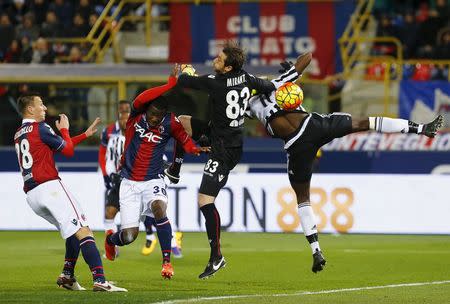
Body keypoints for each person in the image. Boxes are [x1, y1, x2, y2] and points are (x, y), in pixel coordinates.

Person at [167, 52, 444, 274]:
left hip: (305, 135)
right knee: (355, 133)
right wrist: (289, 76)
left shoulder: (259, 93)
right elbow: (230, 114)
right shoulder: (252, 95)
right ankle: (316, 252)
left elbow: (308, 56)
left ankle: (420, 129)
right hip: (311, 130)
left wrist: (292, 72)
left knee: (358, 129)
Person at [166, 41, 277, 279]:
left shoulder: (216, 83)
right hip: (221, 135)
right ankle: (174, 169)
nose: (215, 61)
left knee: (205, 201)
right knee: (180, 122)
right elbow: (268, 86)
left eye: (219, 59)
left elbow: (186, 81)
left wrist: (183, 71)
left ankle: (216, 256)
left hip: (223, 148)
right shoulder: (247, 78)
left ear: (227, 68)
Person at [104, 64, 209, 279]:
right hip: (129, 182)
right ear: (147, 110)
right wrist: (170, 84)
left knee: (160, 209)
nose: (153, 119)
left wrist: (194, 149)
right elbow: (144, 97)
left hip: (154, 178)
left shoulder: (170, 122)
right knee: (130, 236)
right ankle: (110, 241)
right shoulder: (136, 114)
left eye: (158, 117)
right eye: (152, 115)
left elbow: (184, 140)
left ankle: (167, 263)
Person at [13, 93, 127, 292]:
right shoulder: (41, 127)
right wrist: (65, 130)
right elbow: (67, 150)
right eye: (41, 104)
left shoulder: (19, 133)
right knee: (83, 228)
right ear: (30, 109)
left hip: (32, 195)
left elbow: (55, 147)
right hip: (49, 187)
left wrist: (83, 135)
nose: (45, 108)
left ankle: (67, 275)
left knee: (72, 230)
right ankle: (100, 279)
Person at [100, 100, 131, 258]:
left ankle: (171, 241)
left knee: (151, 216)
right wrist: (110, 175)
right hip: (119, 181)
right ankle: (110, 248)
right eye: (122, 119)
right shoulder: (114, 139)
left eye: (128, 118)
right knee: (109, 213)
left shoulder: (139, 137)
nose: (125, 121)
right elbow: (109, 159)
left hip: (136, 182)